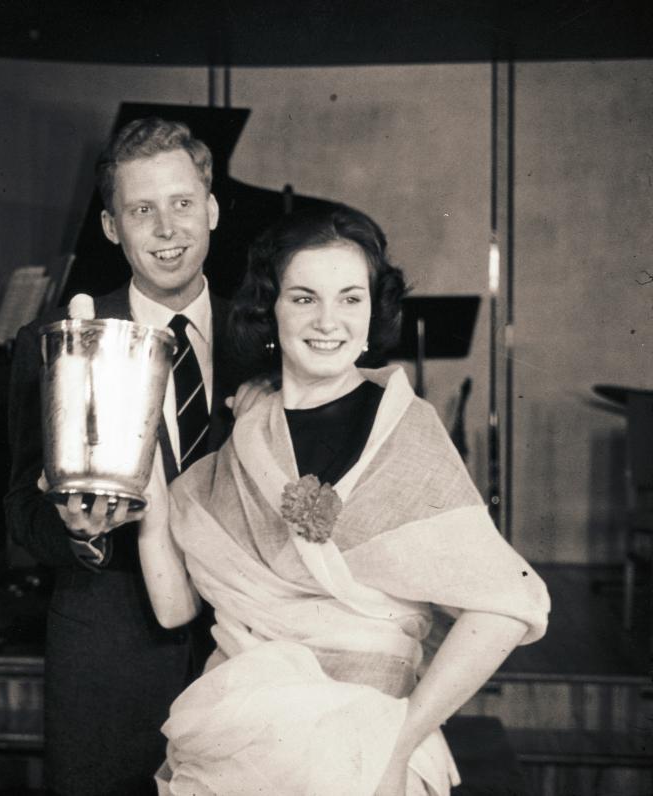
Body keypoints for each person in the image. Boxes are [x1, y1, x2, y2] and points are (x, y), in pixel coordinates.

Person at [138, 203, 551, 795]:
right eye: (304, 298)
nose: (328, 321)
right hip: (240, 731)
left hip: (366, 741)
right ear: (271, 309)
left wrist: (398, 744)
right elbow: (175, 609)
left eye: (350, 299)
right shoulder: (246, 437)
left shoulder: (405, 431)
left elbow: (507, 604)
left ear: (372, 311)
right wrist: (150, 503)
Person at [4, 117, 239, 795]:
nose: (167, 229)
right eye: (141, 210)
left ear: (212, 209)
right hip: (108, 663)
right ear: (112, 227)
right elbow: (20, 510)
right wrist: (79, 536)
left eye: (182, 203)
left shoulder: (267, 340)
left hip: (246, 658)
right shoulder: (51, 342)